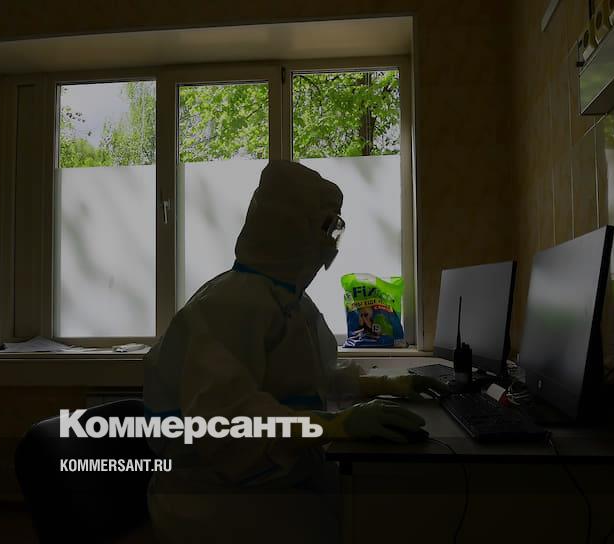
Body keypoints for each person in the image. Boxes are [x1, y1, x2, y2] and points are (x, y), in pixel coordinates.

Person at [143, 160, 444, 543]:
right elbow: (230, 422)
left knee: (369, 509)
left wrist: (387, 385)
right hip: (212, 497)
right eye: (326, 227)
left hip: (268, 478)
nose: (331, 241)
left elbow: (317, 378)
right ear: (290, 226)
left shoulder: (289, 301)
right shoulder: (229, 305)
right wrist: (335, 425)